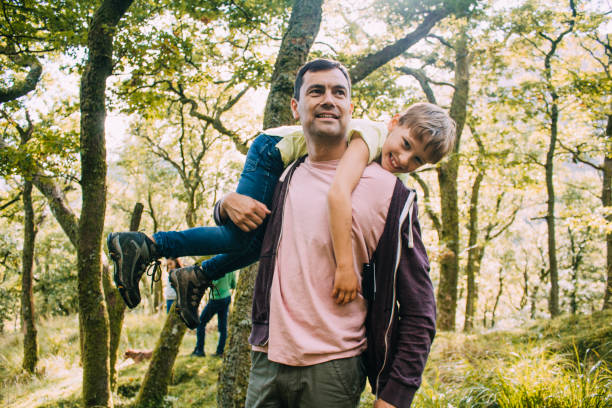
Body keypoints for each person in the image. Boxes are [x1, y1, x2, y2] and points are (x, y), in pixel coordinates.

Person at [107, 67, 454, 329]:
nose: (406, 160)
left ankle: (197, 276)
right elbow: (338, 193)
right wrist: (347, 267)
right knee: (240, 235)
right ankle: (149, 245)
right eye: (407, 144)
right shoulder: (373, 138)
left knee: (259, 241)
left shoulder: (388, 165)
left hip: (280, 155)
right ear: (395, 123)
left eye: (418, 160)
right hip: (271, 150)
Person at [217, 59, 437, 408]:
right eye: (316, 91)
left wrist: (396, 395)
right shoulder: (282, 175)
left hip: (335, 369)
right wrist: (225, 203)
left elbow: (420, 308)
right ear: (296, 106)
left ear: (351, 108)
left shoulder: (393, 195)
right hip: (266, 360)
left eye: (338, 92)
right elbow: (243, 234)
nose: (327, 100)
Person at [191, 271, 236, 357]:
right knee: (223, 327)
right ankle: (220, 351)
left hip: (216, 299)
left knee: (200, 323)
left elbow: (212, 282)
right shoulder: (231, 267)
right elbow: (234, 284)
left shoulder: (218, 266)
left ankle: (200, 351)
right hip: (226, 297)